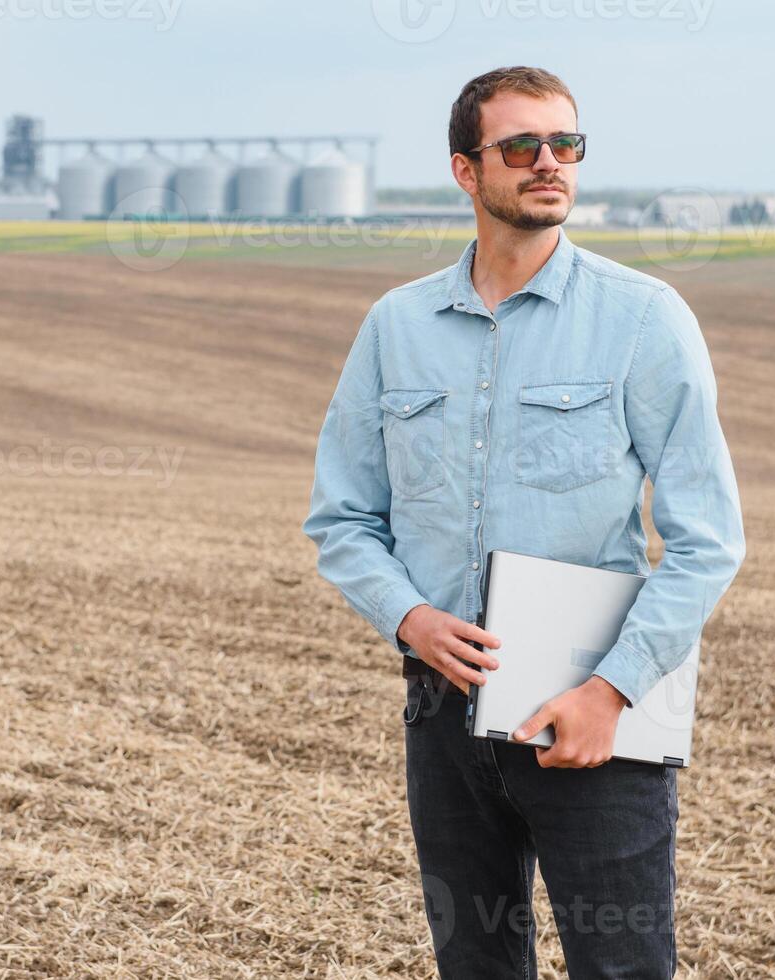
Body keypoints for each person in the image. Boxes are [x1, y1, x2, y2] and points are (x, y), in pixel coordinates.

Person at [302, 66, 746, 978]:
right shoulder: (396, 326)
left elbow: (708, 540)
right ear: (467, 171)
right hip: (439, 707)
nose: (550, 164)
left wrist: (612, 691)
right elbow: (343, 517)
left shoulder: (642, 320)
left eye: (566, 144)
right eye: (521, 147)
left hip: (592, 718)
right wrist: (409, 618)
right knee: (475, 968)